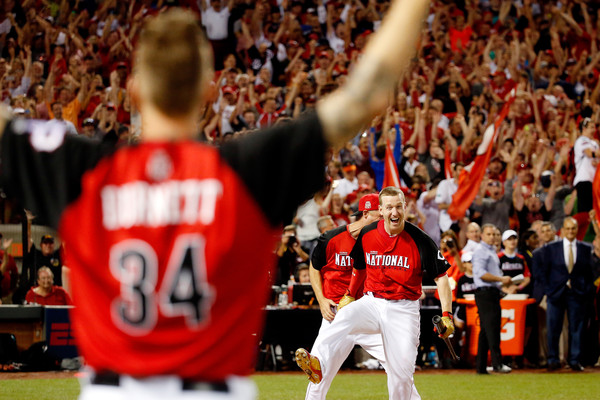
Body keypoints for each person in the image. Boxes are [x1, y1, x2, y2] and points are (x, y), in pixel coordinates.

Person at [0, 2, 430, 399]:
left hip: (114, 390)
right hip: (213, 389)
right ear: (209, 92)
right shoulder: (247, 171)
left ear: (132, 90)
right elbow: (365, 93)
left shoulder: (85, 172)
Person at [296, 186, 454, 400]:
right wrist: (350, 295)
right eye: (388, 208)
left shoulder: (420, 240)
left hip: (403, 310)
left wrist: (447, 315)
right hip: (371, 302)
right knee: (343, 316)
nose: (394, 212)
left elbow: (442, 278)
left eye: (398, 207)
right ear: (380, 210)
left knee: (401, 376)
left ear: (405, 207)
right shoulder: (365, 234)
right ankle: (318, 365)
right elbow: (359, 267)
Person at [304, 193, 385, 400]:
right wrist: (321, 300)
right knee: (319, 374)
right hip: (335, 312)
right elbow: (314, 268)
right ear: (366, 213)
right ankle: (315, 360)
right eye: (380, 215)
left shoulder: (379, 242)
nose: (384, 220)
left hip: (364, 311)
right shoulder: (331, 238)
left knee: (399, 367)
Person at [532, 217, 596, 372]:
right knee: (553, 327)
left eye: (573, 229)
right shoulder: (551, 248)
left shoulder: (585, 248)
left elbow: (591, 273)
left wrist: (585, 289)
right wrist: (548, 289)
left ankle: (575, 360)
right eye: (567, 229)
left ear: (576, 230)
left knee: (577, 328)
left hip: (577, 293)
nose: (570, 232)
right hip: (556, 293)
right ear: (562, 230)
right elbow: (542, 272)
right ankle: (552, 360)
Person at [471, 223, 512, 374]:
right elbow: (481, 273)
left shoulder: (491, 251)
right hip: (485, 293)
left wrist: (501, 286)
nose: (492, 237)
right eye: (488, 234)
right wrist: (501, 280)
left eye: (494, 234)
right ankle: (497, 364)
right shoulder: (481, 251)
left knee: (485, 331)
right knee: (492, 329)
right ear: (481, 235)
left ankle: (481, 366)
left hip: (490, 292)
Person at [573, 118, 599, 213]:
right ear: (584, 128)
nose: (594, 130)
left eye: (594, 127)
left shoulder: (594, 143)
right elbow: (589, 153)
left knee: (594, 212)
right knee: (585, 213)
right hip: (584, 180)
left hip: (594, 181)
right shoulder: (581, 140)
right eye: (591, 127)